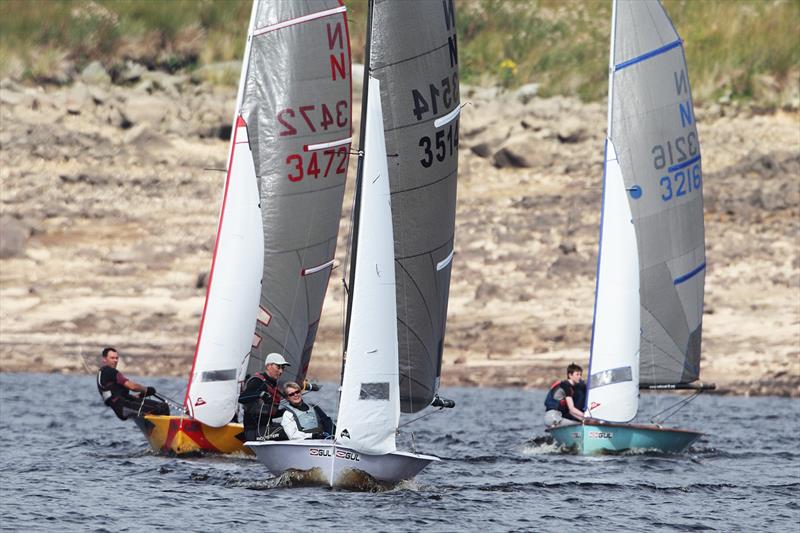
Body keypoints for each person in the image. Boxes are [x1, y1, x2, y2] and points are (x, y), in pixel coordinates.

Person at [96, 347, 169, 420]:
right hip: (124, 406)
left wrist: (141, 395)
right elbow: (132, 387)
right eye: (112, 358)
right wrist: (146, 389)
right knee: (163, 408)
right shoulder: (110, 371)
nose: (115, 360)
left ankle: (155, 428)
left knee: (162, 406)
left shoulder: (102, 373)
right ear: (104, 359)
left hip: (124, 405)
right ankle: (167, 430)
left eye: (117, 358)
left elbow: (118, 395)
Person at [237, 352, 290, 441]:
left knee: (292, 426)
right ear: (269, 366)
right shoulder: (257, 381)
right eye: (278, 367)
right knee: (287, 431)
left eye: (283, 368)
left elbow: (270, 413)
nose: (281, 371)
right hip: (253, 432)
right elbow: (242, 398)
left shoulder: (273, 385)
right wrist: (260, 394)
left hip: (265, 429)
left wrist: (288, 411)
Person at [543, 362, 585, 427]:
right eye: (577, 374)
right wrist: (586, 416)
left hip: (553, 418)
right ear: (570, 375)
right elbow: (572, 409)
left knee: (581, 422)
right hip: (553, 417)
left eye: (580, 374)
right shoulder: (566, 387)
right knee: (580, 424)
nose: (579, 377)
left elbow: (571, 412)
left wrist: (583, 419)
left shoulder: (568, 386)